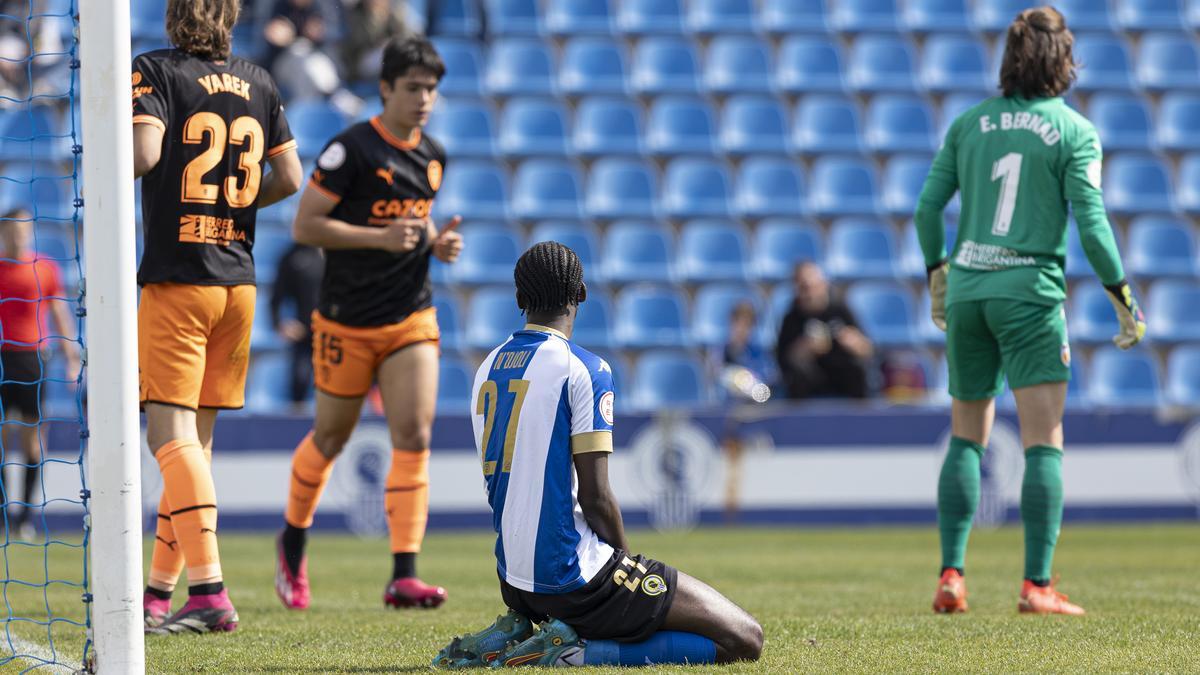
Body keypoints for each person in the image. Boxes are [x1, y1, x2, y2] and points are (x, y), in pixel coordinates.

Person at [433, 242, 763, 668]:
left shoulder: (487, 368)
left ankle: (524, 626)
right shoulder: (584, 368)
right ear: (581, 295)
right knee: (744, 639)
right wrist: (625, 564)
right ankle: (574, 652)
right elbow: (596, 497)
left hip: (513, 577)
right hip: (571, 578)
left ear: (518, 300)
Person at [915, 6, 1145, 616]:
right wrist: (1122, 295)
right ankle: (1037, 586)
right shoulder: (1074, 131)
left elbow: (925, 209)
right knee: (1044, 441)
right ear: (1062, 59)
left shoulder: (968, 124)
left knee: (967, 437)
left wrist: (938, 274)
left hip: (968, 291)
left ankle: (951, 576)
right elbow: (1091, 224)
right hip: (1030, 295)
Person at [274, 35, 464, 612]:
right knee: (330, 438)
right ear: (385, 88)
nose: (424, 99)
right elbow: (306, 226)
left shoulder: (433, 154)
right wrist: (381, 238)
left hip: (410, 315)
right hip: (346, 322)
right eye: (413, 88)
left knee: (415, 436)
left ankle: (404, 574)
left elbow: (417, 223)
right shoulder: (350, 150)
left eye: (431, 88)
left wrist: (437, 243)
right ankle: (292, 541)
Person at [133, 0, 303, 634]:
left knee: (167, 438)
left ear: (176, 15)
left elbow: (145, 155)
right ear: (230, 18)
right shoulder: (259, 81)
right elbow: (289, 175)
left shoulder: (154, 69)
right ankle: (157, 594)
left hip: (181, 279)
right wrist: (228, 205)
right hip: (238, 281)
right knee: (195, 446)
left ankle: (208, 592)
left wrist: (100, 149)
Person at [0, 209, 78, 542]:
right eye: (13, 230)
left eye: (24, 229)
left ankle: (26, 517)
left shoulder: (44, 267)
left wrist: (72, 355)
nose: (19, 235)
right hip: (3, 359)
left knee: (33, 440)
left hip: (34, 359)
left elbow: (59, 311)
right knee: (4, 440)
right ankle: (5, 515)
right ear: (4, 232)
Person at [775, 262, 873, 400]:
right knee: (796, 377)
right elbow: (783, 360)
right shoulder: (791, 318)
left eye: (811, 287)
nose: (808, 294)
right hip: (811, 378)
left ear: (823, 285)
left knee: (858, 370)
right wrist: (802, 351)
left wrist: (854, 343)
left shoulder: (841, 310)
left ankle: (861, 418)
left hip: (841, 375)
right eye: (802, 288)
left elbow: (868, 350)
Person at [270, 242, 324, 407]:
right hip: (305, 336)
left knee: (344, 387)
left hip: (339, 335)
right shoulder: (293, 256)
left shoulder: (342, 253)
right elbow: (276, 298)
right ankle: (296, 427)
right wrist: (280, 323)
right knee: (300, 380)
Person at [342, 0, 407, 82]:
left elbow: (403, 33)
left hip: (382, 56)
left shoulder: (389, 12)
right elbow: (357, 45)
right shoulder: (356, 14)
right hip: (359, 63)